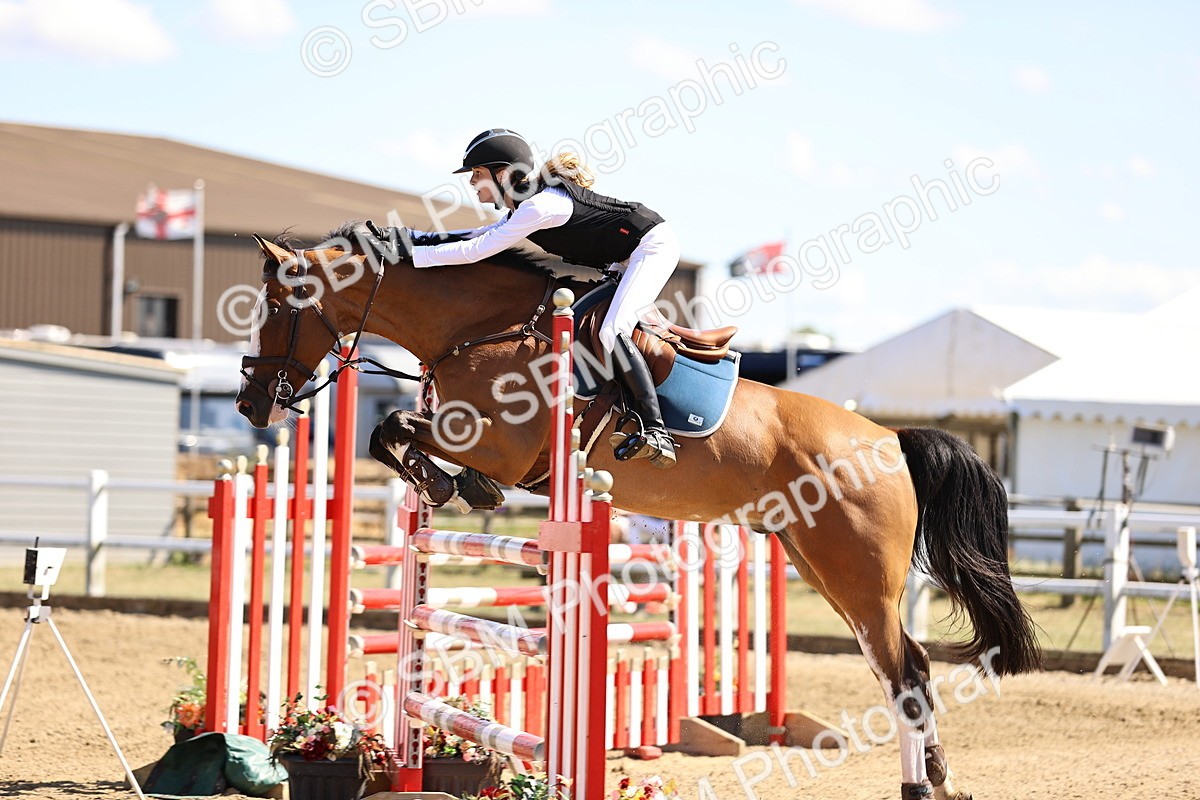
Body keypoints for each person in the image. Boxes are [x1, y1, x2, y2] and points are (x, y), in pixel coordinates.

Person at [398, 128, 679, 468]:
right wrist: (406, 239)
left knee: (610, 330)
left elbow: (476, 251)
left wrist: (412, 257)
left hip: (651, 247)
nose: (472, 183)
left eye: (477, 174)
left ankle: (657, 432)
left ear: (502, 173)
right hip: (624, 258)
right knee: (588, 324)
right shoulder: (524, 208)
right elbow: (474, 234)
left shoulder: (538, 207)